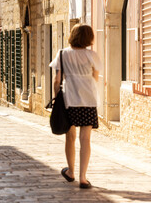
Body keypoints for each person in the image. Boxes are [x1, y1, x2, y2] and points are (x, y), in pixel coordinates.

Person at [49, 24, 102, 189]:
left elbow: (57, 80)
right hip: (88, 100)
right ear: (89, 38)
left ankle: (71, 171)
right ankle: (83, 178)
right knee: (85, 139)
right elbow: (96, 78)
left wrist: (57, 96)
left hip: (69, 100)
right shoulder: (92, 55)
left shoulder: (63, 54)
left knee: (70, 137)